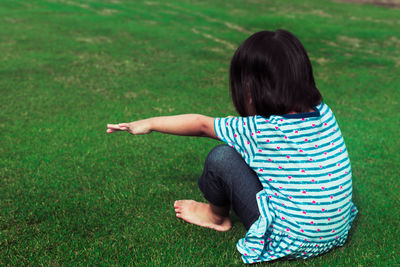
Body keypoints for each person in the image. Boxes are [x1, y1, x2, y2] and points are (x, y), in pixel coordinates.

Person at [106, 29, 357, 263]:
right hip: (335, 231)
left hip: (290, 238)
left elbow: (201, 124)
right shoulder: (324, 113)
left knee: (223, 156)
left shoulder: (258, 130)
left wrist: (148, 123)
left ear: (251, 87)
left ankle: (216, 217)